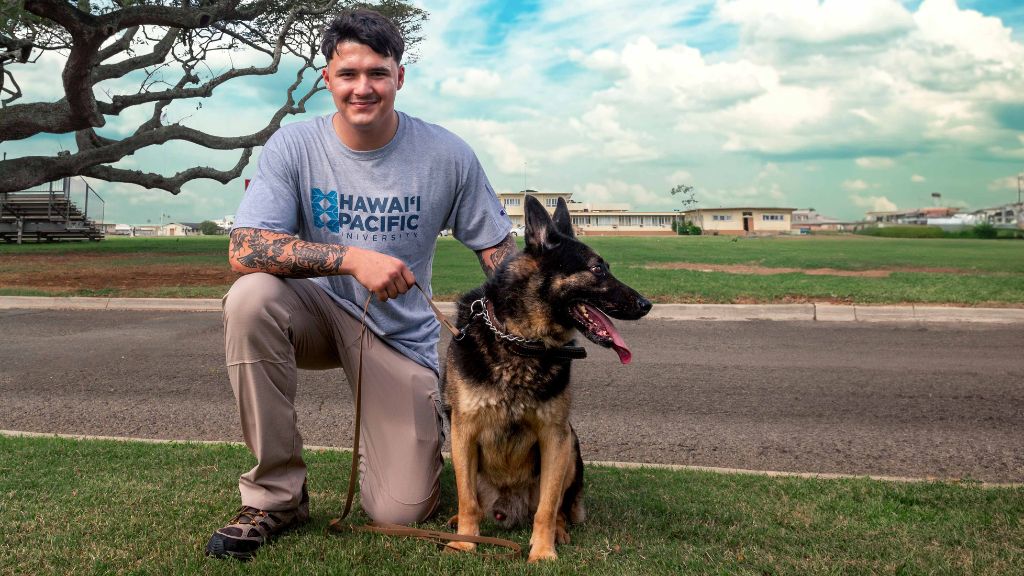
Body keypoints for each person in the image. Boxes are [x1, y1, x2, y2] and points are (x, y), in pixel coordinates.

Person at [205, 8, 515, 561]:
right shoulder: (293, 146)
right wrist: (351, 258)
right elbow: (245, 247)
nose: (362, 87)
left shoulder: (446, 153)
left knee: (397, 512)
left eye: (377, 72)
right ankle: (275, 498)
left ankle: (421, 450)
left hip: (400, 336)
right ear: (328, 79)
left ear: (400, 77)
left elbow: (498, 251)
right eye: (348, 74)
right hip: (315, 313)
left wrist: (525, 323)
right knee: (251, 299)